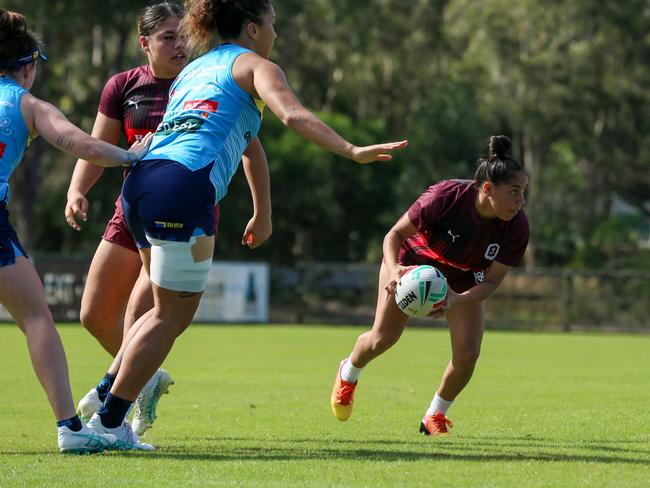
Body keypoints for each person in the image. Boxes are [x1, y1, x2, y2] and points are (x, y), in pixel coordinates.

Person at [83, 0, 407, 450]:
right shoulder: (255, 65)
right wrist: (351, 150)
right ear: (252, 29)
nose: (276, 33)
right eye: (273, 24)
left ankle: (105, 400)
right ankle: (108, 423)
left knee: (159, 309)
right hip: (184, 186)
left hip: (140, 184)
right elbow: (292, 115)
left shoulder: (195, 70)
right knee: (169, 315)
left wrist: (262, 207)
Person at [65, 1, 272, 438]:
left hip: (184, 205)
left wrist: (261, 209)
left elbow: (252, 147)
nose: (179, 45)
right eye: (167, 37)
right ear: (145, 43)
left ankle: (114, 401)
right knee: (93, 313)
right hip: (134, 204)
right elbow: (98, 144)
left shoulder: (204, 77)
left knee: (151, 311)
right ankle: (139, 378)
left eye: (183, 35)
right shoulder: (123, 86)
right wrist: (77, 190)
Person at [0, 8, 152, 453]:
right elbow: (77, 143)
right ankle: (70, 427)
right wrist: (129, 156)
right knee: (34, 317)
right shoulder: (26, 103)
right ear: (28, 67)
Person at [330, 135, 529, 436]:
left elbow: (490, 281)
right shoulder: (446, 196)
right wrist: (395, 270)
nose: (520, 201)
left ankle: (434, 415)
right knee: (383, 338)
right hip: (410, 261)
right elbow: (393, 236)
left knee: (468, 353)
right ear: (488, 189)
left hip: (464, 274)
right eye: (514, 192)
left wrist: (456, 299)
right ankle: (349, 372)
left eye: (523, 192)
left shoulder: (517, 226)